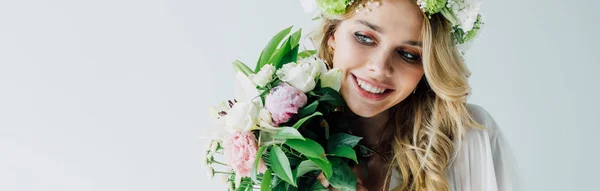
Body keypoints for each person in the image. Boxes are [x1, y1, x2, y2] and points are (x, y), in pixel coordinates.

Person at [306, 0, 522, 190]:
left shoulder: (467, 137)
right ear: (332, 36)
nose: (380, 68)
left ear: (429, 66)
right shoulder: (279, 138)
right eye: (364, 38)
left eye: (408, 55)